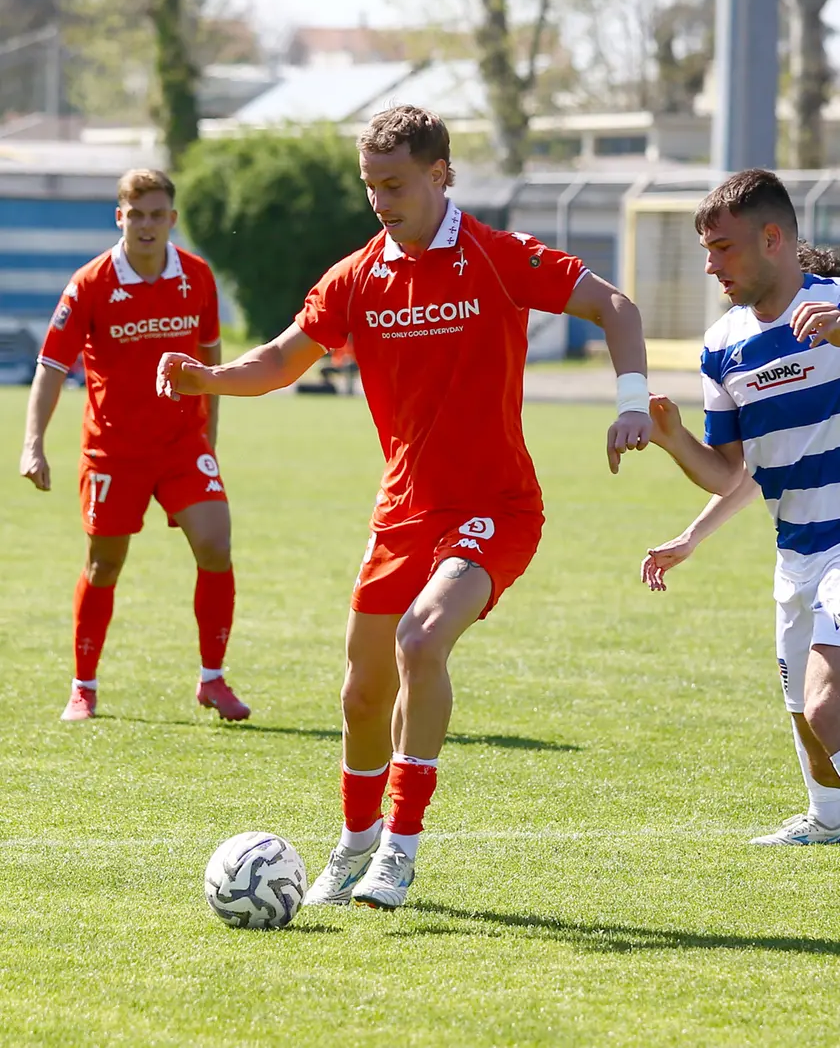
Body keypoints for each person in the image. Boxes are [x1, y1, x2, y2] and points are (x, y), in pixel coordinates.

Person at [157, 104, 651, 909]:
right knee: (360, 693)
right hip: (402, 512)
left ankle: (401, 845)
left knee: (423, 639)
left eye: (395, 184)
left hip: (495, 506)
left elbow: (617, 308)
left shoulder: (496, 257)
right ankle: (352, 844)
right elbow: (286, 355)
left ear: (440, 175)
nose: (381, 200)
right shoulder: (357, 275)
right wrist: (210, 378)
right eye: (370, 186)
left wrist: (632, 399)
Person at [642, 170, 840, 846]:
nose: (710, 264)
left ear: (773, 237)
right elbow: (731, 471)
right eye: (706, 249)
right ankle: (826, 820)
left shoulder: (837, 305)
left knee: (826, 704)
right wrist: (674, 442)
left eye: (723, 247)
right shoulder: (723, 346)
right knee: (806, 715)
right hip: (796, 551)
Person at [20, 168, 249, 724]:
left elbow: (210, 366)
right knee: (104, 564)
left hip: (181, 445)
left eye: (157, 214)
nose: (146, 225)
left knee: (216, 546)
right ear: (120, 217)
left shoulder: (196, 277)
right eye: (136, 214)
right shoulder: (91, 283)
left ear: (172, 219)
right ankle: (84, 686)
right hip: (113, 450)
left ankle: (213, 680)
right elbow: (51, 367)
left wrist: (208, 443)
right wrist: (33, 444)